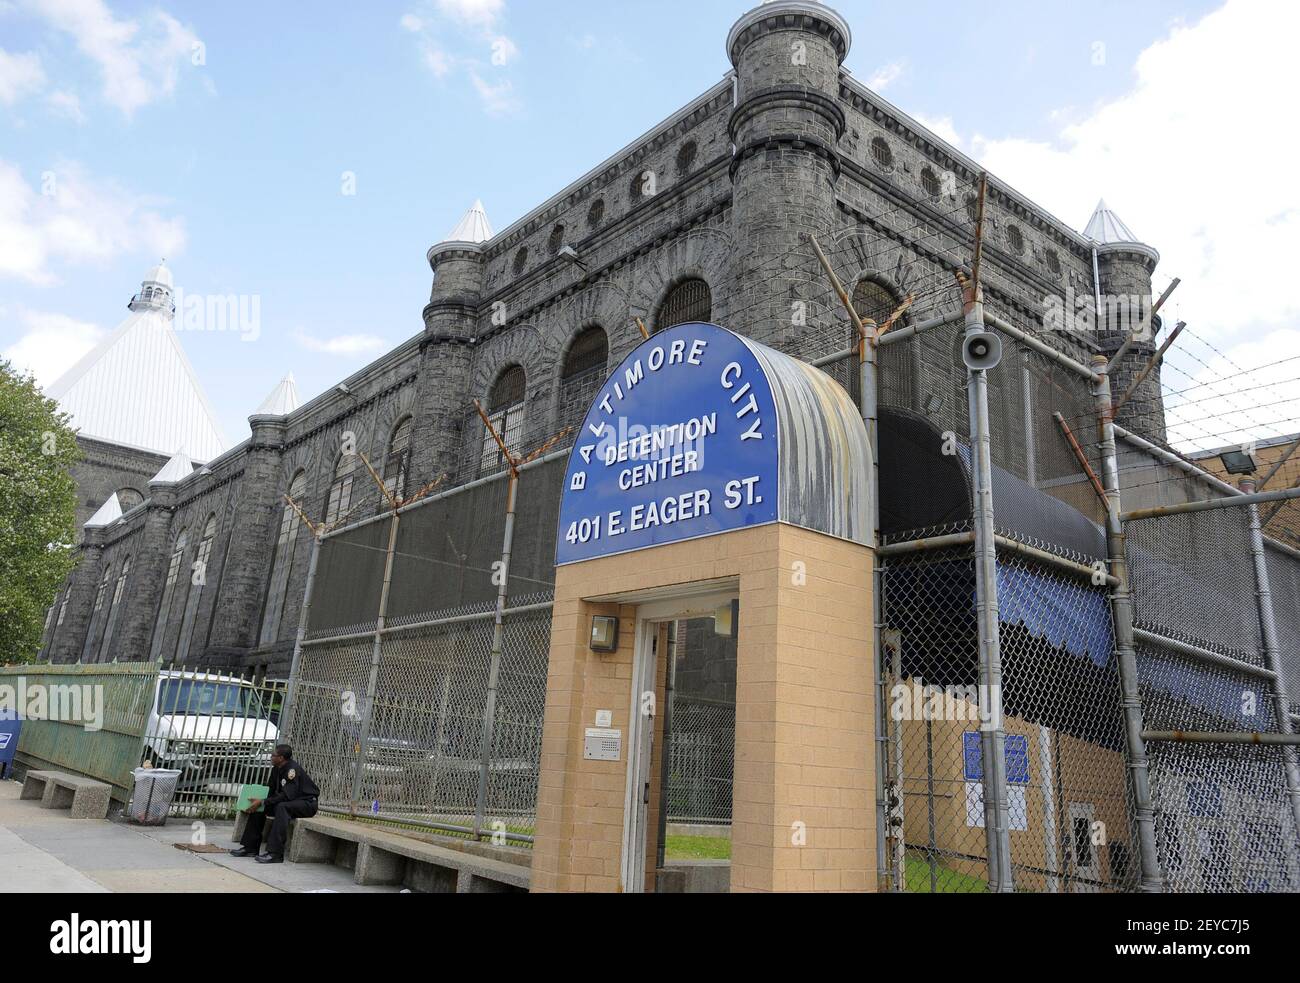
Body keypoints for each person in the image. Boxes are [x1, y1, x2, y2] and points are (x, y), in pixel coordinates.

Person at [230, 744, 319, 864]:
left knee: (282, 807)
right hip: (291, 801)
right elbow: (271, 790)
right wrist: (259, 802)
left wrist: (263, 801)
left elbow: (287, 795)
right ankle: (250, 848)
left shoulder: (291, 770)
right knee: (259, 807)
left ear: (281, 758)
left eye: (273, 755)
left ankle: (275, 853)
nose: (271, 757)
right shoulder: (276, 768)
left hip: (307, 803)